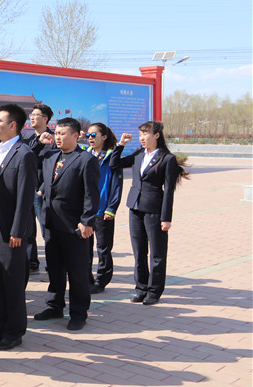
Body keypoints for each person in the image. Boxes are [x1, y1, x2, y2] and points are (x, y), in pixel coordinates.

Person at [0, 104, 36, 350]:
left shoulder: (24, 154)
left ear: (13, 125)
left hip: (9, 230)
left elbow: (25, 196)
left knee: (12, 283)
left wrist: (17, 230)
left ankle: (14, 331)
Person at [111, 121, 188, 305]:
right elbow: (114, 164)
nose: (142, 138)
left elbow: (168, 191)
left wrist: (166, 218)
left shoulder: (167, 159)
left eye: (145, 134)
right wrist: (121, 145)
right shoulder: (139, 155)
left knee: (157, 254)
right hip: (135, 208)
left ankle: (154, 291)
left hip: (154, 210)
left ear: (157, 135)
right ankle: (141, 288)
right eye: (140, 135)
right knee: (139, 252)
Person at [34, 118, 100, 331]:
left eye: (63, 133)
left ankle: (79, 313)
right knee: (54, 268)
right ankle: (54, 305)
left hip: (74, 226)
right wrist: (39, 143)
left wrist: (87, 221)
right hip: (51, 223)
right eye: (57, 133)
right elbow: (28, 159)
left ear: (75, 135)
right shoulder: (50, 156)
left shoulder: (86, 160)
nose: (58, 137)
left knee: (77, 272)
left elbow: (91, 194)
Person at [83, 123, 123, 294]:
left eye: (94, 135)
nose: (90, 138)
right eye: (88, 135)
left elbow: (117, 185)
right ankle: (86, 280)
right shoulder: (84, 154)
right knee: (85, 248)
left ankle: (101, 281)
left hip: (103, 210)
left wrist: (111, 208)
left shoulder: (112, 156)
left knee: (103, 248)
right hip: (86, 210)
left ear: (104, 137)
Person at [23, 103, 55, 274]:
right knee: (28, 229)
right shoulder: (27, 138)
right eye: (31, 115)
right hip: (27, 189)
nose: (32, 118)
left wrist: (42, 187)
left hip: (43, 190)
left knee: (46, 229)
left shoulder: (53, 138)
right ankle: (31, 262)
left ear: (45, 118)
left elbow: (55, 167)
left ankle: (53, 266)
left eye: (36, 115)